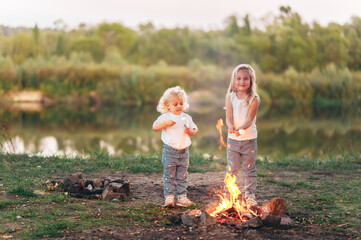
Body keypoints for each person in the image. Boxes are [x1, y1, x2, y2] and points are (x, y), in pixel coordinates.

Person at [153, 86, 198, 207]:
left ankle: (182, 197)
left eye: (181, 103)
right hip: (169, 152)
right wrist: (165, 124)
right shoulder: (166, 117)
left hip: (184, 152)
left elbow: (194, 130)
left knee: (182, 176)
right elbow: (155, 127)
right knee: (169, 176)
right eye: (175, 104)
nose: (179, 106)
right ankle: (169, 198)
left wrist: (190, 132)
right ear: (168, 105)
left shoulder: (187, 118)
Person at [225, 64, 260, 207]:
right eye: (238, 78)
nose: (241, 81)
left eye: (245, 78)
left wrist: (240, 128)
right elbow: (228, 117)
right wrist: (231, 126)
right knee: (231, 168)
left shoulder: (254, 98)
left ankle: (249, 195)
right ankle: (229, 194)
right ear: (234, 80)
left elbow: (249, 120)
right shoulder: (230, 96)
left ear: (251, 81)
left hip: (249, 140)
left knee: (249, 169)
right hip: (233, 141)